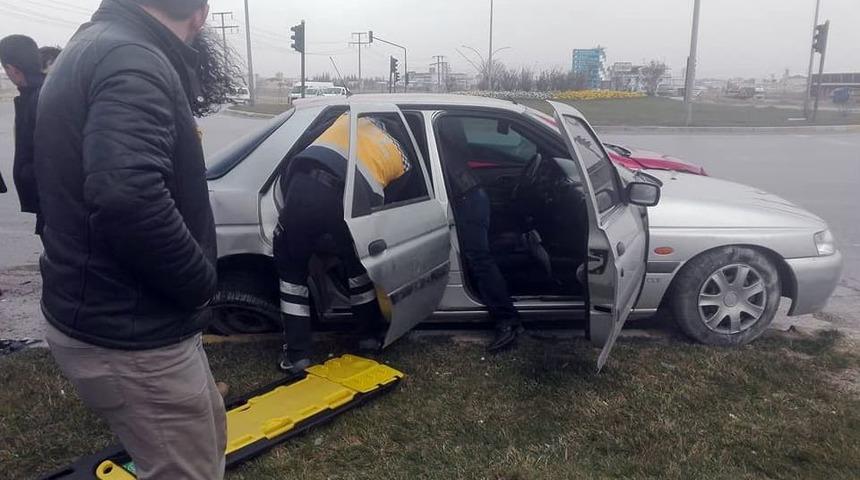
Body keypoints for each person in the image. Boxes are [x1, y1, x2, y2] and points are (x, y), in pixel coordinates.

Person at [34, 0, 227, 478]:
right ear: (200, 15)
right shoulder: (133, 58)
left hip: (121, 319)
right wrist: (200, 284)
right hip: (134, 335)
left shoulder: (96, 44)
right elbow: (127, 196)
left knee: (207, 436)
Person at [274, 114, 398, 373]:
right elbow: (396, 196)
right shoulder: (401, 153)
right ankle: (368, 338)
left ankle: (298, 356)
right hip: (349, 202)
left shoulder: (346, 118)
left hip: (304, 187)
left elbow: (298, 147)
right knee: (357, 269)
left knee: (292, 276)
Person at [437, 117, 523, 352]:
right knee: (479, 256)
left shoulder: (434, 128)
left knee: (479, 259)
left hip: (467, 197)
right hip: (470, 194)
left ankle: (507, 320)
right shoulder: (444, 129)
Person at [0, 34, 44, 235]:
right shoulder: (39, 93)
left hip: (54, 204)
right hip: (49, 204)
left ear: (12, 69)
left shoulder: (40, 99)